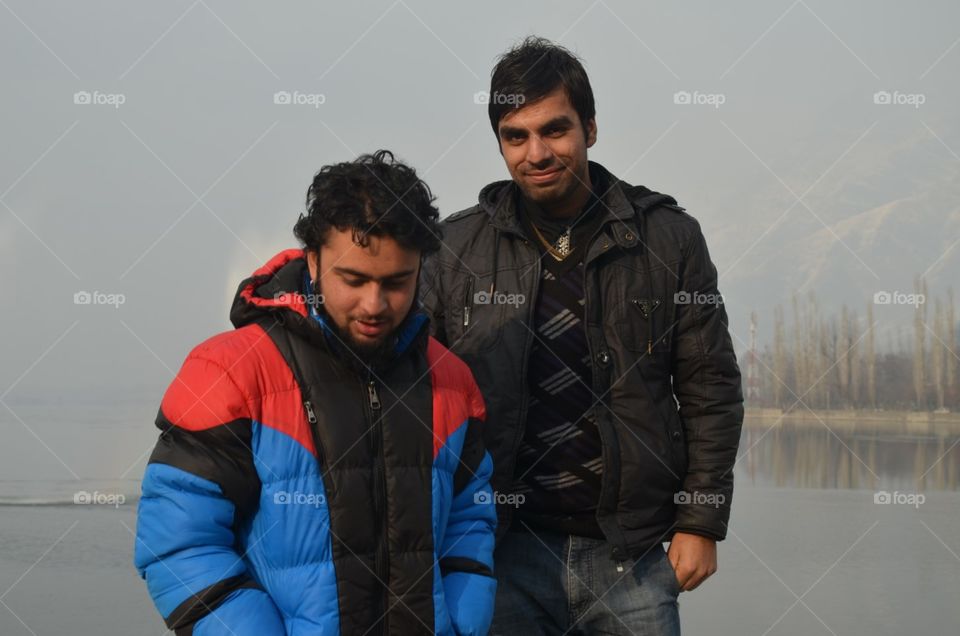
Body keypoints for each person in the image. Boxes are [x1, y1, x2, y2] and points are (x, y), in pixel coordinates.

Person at [420, 37, 744, 635]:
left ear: (590, 128)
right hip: (497, 550)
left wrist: (700, 521)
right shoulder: (453, 251)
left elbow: (710, 388)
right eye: (515, 136)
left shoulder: (668, 240)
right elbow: (416, 396)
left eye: (555, 130)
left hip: (633, 555)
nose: (536, 153)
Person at [134, 150, 497, 635]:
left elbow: (470, 526)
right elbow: (180, 546)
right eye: (353, 279)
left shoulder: (452, 381)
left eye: (396, 282)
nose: (374, 304)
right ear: (312, 260)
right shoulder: (229, 372)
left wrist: (461, 626)